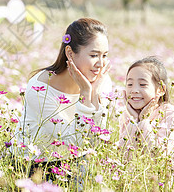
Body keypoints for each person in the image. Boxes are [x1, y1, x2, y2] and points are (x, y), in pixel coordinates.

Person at [10, 18, 112, 163]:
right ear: (70, 53)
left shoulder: (102, 82)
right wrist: (85, 93)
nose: (101, 64)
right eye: (94, 55)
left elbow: (96, 139)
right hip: (32, 164)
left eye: (105, 55)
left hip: (76, 159)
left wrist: (94, 95)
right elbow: (73, 142)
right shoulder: (39, 89)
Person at [119, 56, 174, 159]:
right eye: (129, 84)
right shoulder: (127, 115)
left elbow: (159, 157)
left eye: (142, 84)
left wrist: (143, 121)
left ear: (161, 90)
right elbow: (123, 156)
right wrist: (134, 121)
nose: (134, 90)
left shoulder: (171, 113)